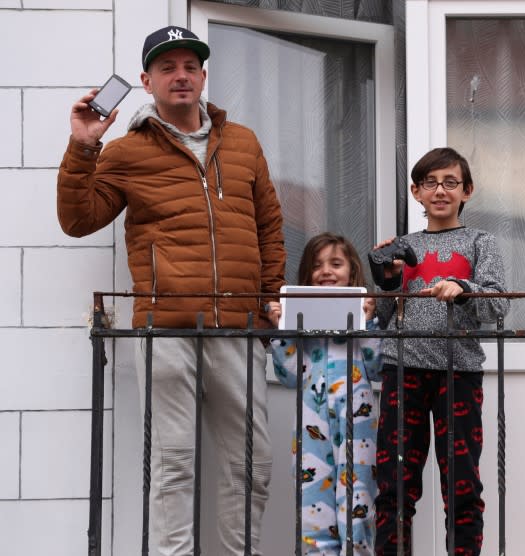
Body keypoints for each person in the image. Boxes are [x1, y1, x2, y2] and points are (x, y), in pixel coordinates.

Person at [56, 26, 286, 555]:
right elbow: (78, 219)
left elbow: (269, 227)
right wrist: (82, 147)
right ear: (146, 81)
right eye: (167, 68)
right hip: (166, 330)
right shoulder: (126, 152)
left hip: (239, 326)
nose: (180, 75)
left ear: (203, 76)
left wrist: (271, 299)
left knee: (252, 463)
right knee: (173, 463)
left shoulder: (244, 143)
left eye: (189, 66)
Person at [371, 147, 510, 555]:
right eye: (430, 182)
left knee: (462, 485)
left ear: (467, 191)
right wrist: (388, 279)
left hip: (459, 374)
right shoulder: (400, 244)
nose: (440, 191)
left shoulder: (481, 242)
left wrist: (463, 290)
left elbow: (498, 304)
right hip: (402, 371)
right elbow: (383, 315)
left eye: (450, 182)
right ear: (415, 191)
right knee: (394, 487)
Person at [266, 233, 382, 555]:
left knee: (357, 508)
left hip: (358, 429)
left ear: (352, 272)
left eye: (336, 263)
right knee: (313, 514)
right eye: (317, 266)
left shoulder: (360, 317)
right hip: (311, 431)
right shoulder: (302, 323)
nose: (326, 271)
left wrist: (369, 323)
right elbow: (290, 375)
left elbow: (376, 368)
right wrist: (282, 330)